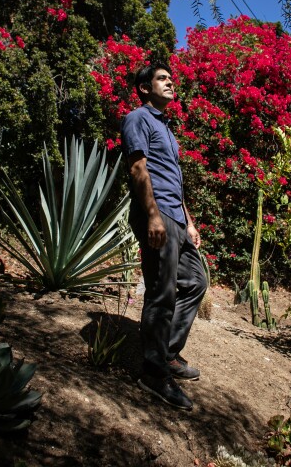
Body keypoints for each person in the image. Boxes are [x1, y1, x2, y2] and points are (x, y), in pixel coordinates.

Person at [120, 62, 208, 411]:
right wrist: (154, 215)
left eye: (170, 79)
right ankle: (154, 374)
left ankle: (167, 353)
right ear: (144, 88)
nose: (171, 82)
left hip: (176, 219)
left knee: (196, 282)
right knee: (162, 292)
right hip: (156, 217)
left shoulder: (166, 128)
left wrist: (189, 221)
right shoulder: (137, 119)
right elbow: (138, 168)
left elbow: (174, 179)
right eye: (162, 79)